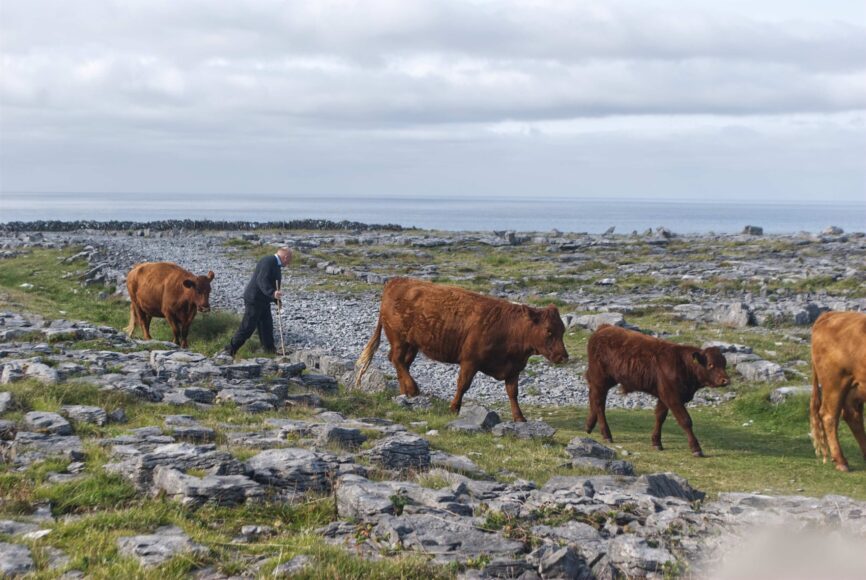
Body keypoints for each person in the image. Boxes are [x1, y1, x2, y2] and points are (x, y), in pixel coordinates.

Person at [224, 247, 292, 356]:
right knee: (248, 327)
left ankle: (270, 352)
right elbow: (262, 280)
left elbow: (272, 284)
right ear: (285, 257)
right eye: (290, 260)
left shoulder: (275, 264)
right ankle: (230, 350)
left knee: (266, 326)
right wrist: (272, 293)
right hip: (254, 299)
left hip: (263, 300)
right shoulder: (269, 261)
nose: (289, 263)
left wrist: (277, 301)